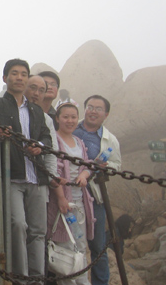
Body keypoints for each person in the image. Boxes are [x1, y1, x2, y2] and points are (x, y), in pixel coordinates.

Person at [0, 59, 52, 282]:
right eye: (14, 73)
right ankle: (20, 276)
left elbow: (46, 136)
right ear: (5, 78)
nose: (19, 77)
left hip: (36, 176)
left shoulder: (36, 110)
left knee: (38, 231)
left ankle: (37, 277)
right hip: (12, 176)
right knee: (17, 225)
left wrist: (40, 146)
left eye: (24, 74)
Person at [74, 95, 121, 285]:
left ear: (106, 114)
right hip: (70, 192)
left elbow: (117, 164)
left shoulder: (110, 139)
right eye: (90, 107)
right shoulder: (72, 127)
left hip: (94, 195)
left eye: (98, 109)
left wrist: (106, 166)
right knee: (69, 241)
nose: (93, 111)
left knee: (98, 245)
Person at [47, 103, 94, 285]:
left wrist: (84, 174)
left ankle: (83, 282)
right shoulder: (54, 140)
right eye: (65, 117)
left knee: (80, 245)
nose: (70, 121)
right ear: (57, 118)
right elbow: (53, 170)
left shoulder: (79, 142)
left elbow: (87, 165)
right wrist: (61, 198)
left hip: (79, 201)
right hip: (61, 202)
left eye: (73, 117)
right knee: (64, 246)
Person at [24, 75, 59, 183]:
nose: (36, 93)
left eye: (41, 90)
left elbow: (51, 151)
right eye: (33, 88)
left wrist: (52, 177)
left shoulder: (46, 119)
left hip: (38, 178)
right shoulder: (9, 110)